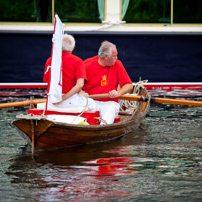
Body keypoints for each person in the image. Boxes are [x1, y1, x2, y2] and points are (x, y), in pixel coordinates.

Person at [82, 42, 133, 124]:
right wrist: (81, 92)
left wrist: (118, 92)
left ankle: (103, 130)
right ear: (106, 57)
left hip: (109, 103)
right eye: (114, 56)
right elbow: (75, 85)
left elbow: (129, 85)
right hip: (91, 101)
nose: (116, 58)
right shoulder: (87, 66)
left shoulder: (117, 64)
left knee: (110, 109)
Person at [43, 34, 95, 110]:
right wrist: (63, 98)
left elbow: (48, 82)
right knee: (92, 104)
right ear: (73, 47)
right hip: (70, 101)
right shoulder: (78, 61)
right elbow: (80, 84)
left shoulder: (49, 60)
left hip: (52, 100)